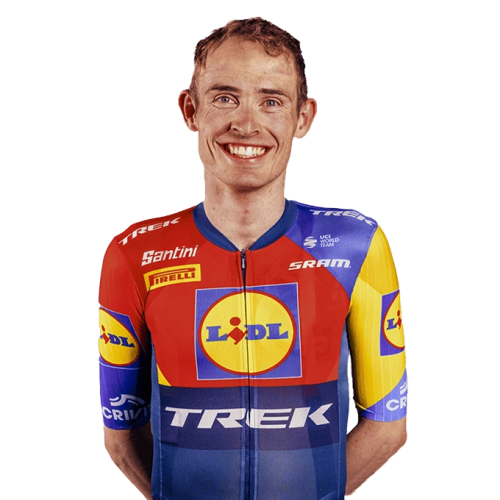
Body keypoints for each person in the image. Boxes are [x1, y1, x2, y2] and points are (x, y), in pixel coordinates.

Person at [98, 17, 408, 500]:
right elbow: (120, 435)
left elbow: (388, 426)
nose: (247, 124)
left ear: (303, 117)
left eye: (271, 101)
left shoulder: (357, 245)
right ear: (190, 110)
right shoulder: (133, 252)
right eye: (225, 98)